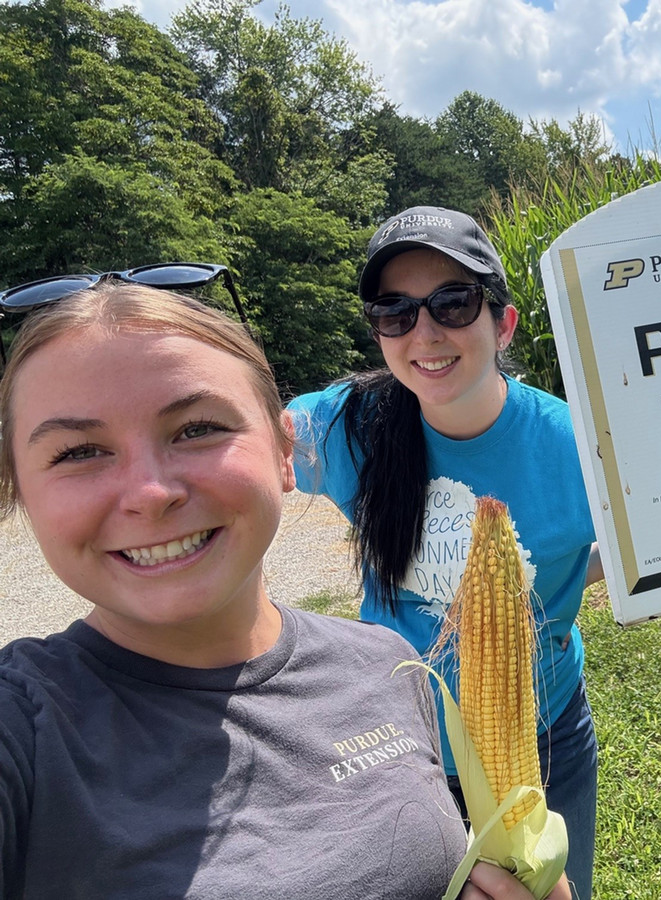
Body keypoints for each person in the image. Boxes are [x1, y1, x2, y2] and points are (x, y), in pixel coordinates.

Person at [0, 281, 569, 900]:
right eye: (80, 451)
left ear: (284, 452)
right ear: (20, 491)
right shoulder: (26, 729)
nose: (149, 492)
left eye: (196, 429)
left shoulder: (388, 664)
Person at [288, 207, 600, 900]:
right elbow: (240, 443)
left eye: (453, 303)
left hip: (544, 740)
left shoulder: (576, 444)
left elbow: (627, 547)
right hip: (403, 750)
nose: (423, 333)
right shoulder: (352, 426)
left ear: (503, 322)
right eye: (394, 312)